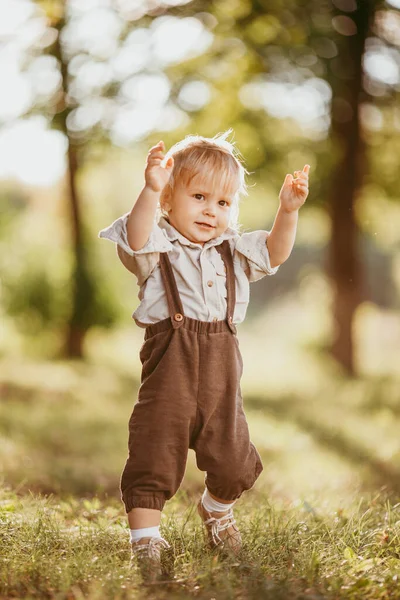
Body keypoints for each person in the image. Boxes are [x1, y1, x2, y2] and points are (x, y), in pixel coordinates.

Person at [98, 131, 310, 580]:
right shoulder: (158, 248)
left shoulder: (232, 251)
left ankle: (216, 510)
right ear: (170, 200)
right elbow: (135, 238)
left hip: (221, 371)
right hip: (169, 372)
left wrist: (286, 213)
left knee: (233, 458)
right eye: (199, 197)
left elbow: (274, 252)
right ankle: (146, 542)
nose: (212, 211)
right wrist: (150, 187)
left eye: (223, 202)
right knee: (154, 453)